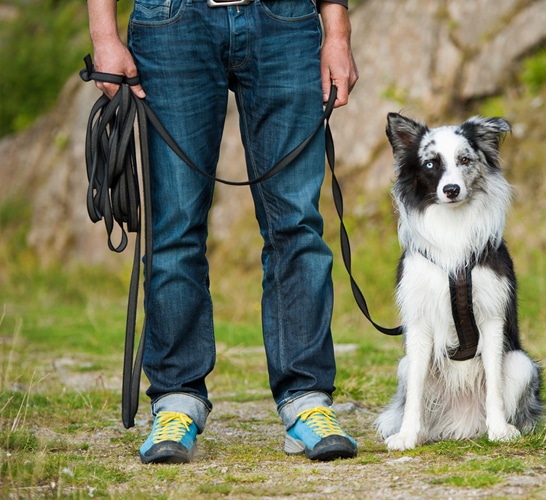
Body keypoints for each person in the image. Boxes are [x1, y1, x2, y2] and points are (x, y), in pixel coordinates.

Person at [86, 0, 359, 464]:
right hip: (172, 23)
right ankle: (176, 401)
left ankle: (307, 400)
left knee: (296, 223)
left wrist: (337, 32)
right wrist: (104, 36)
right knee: (174, 226)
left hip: (286, 19)